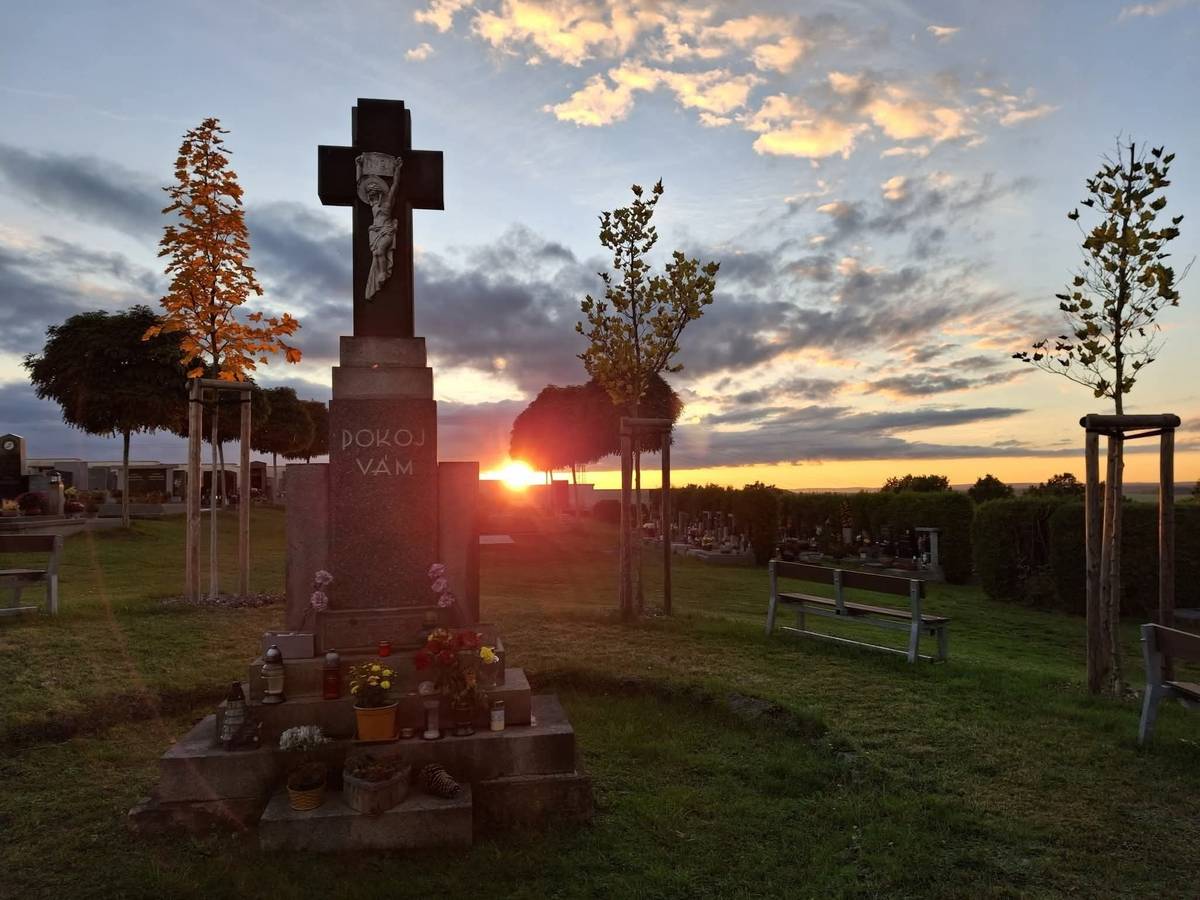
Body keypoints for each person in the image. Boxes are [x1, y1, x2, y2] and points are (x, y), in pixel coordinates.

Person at [360, 163, 401, 299]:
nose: (371, 196)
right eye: (370, 194)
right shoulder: (374, 205)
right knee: (377, 255)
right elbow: (359, 183)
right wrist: (359, 165)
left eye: (373, 193)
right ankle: (380, 274)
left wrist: (397, 169)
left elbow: (395, 186)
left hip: (387, 231)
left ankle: (382, 273)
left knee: (379, 252)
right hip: (375, 232)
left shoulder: (388, 201)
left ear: (379, 193)